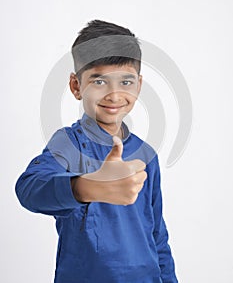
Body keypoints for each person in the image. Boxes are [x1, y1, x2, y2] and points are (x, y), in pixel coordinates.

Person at [15, 20, 178, 283]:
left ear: (138, 85)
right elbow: (29, 188)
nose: (114, 95)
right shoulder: (68, 144)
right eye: (99, 80)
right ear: (76, 86)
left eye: (126, 81)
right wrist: (86, 187)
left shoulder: (146, 154)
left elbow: (157, 234)